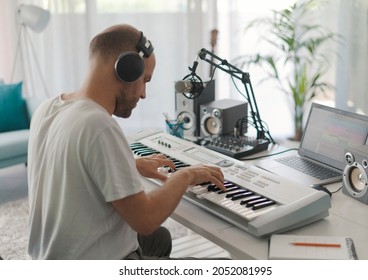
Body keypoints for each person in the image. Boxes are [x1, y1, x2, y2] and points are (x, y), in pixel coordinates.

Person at [27, 23, 226, 260]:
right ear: (127, 69)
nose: (143, 94)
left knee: (159, 239)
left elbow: (66, 161)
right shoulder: (98, 125)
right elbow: (146, 219)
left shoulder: (48, 108)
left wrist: (129, 163)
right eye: (145, 80)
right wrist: (188, 175)